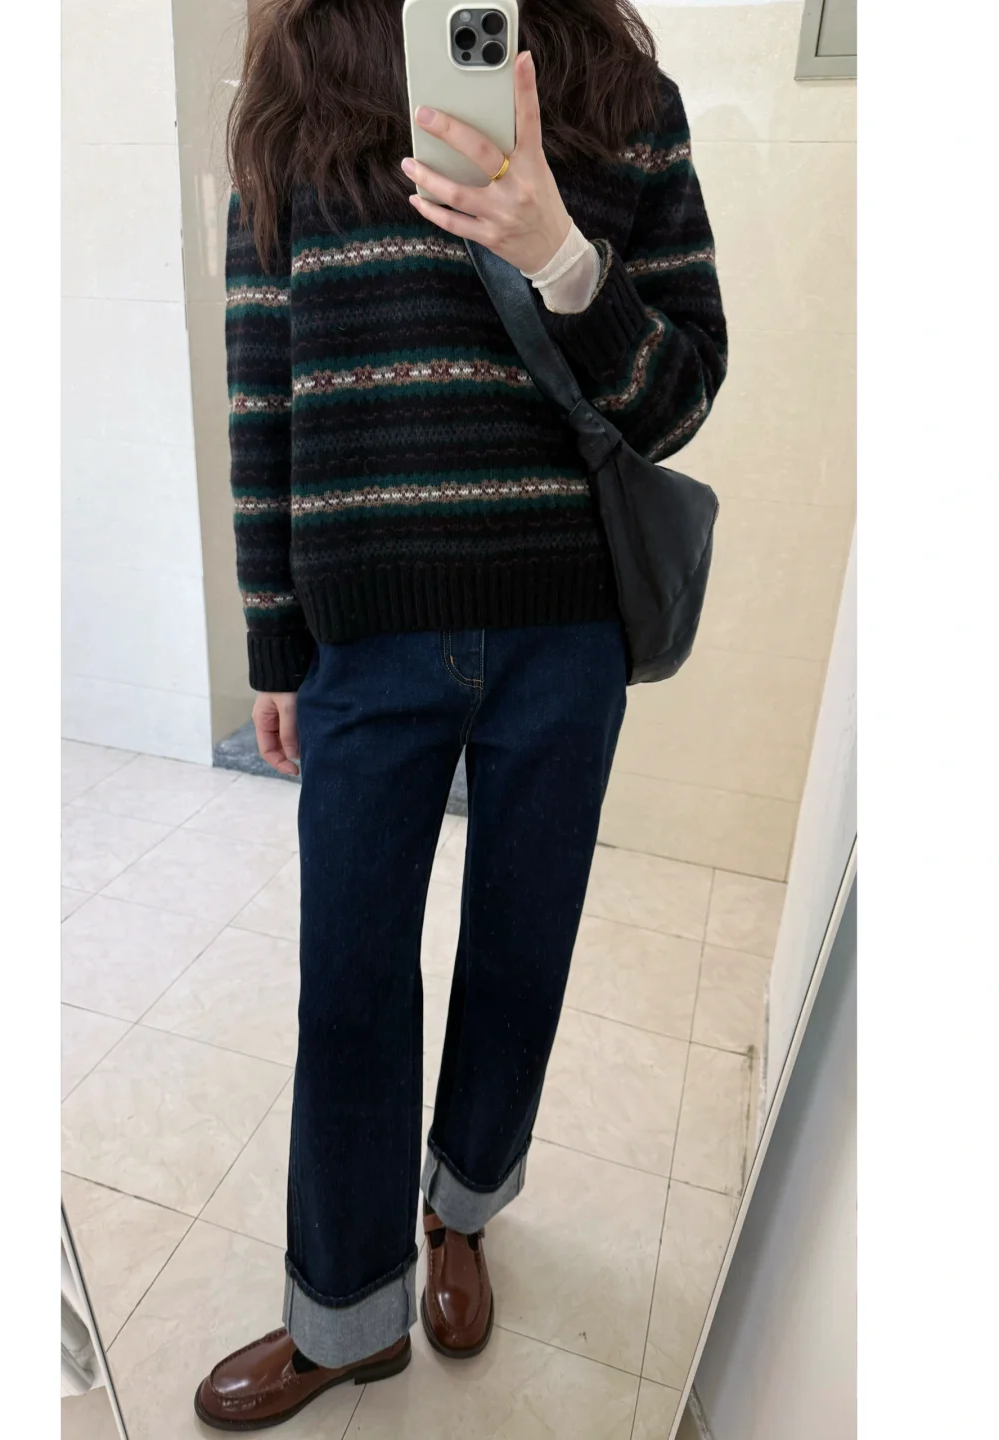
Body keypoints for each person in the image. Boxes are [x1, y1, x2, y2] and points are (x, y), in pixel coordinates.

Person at [194, 0, 727, 1427]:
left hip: (564, 636)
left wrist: (559, 251)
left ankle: (463, 1211)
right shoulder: (296, 81)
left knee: (520, 953)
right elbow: (262, 385)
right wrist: (273, 638)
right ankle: (344, 1315)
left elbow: (679, 396)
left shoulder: (620, 89)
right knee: (348, 985)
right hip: (364, 639)